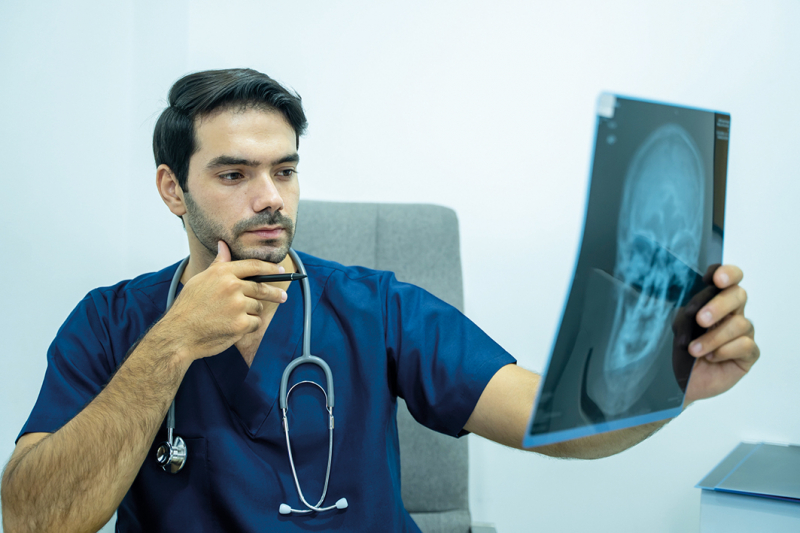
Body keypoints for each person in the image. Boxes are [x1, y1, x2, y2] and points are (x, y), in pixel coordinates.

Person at [0, 68, 760, 533]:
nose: (271, 199)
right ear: (174, 188)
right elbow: (33, 517)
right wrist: (169, 345)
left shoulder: (376, 308)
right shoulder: (111, 321)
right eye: (234, 175)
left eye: (285, 171)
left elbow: (550, 423)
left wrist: (670, 386)